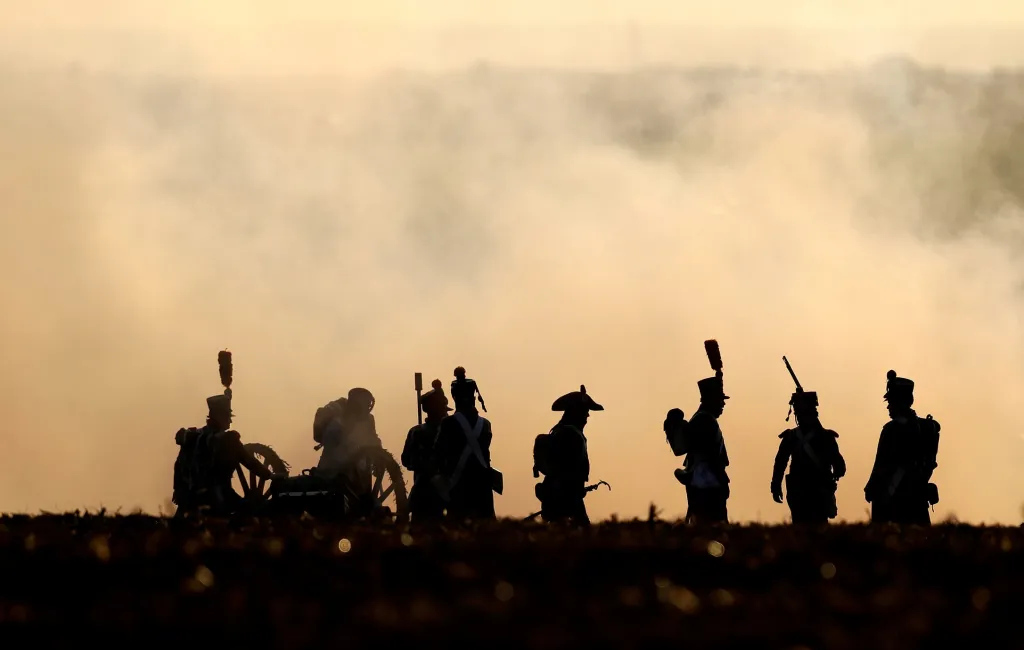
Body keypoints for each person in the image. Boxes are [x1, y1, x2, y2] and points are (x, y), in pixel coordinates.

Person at [172, 391, 284, 517]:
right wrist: (269, 475)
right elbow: (248, 461)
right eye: (227, 416)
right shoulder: (228, 440)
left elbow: (178, 466)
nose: (230, 420)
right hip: (219, 499)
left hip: (190, 500)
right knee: (257, 511)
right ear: (220, 416)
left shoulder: (194, 437)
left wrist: (179, 492)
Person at [865, 370, 941, 525]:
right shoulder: (928, 427)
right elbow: (931, 462)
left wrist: (871, 489)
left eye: (891, 402)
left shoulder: (891, 430)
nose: (888, 407)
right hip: (918, 497)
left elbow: (881, 465)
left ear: (898, 402)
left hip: (895, 500)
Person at [771, 390, 846, 524]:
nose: (799, 416)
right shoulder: (794, 436)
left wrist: (835, 474)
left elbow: (839, 466)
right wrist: (776, 484)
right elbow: (780, 462)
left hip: (817, 494)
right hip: (800, 493)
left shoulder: (825, 437)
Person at [433, 367, 499, 520]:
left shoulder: (448, 423)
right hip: (482, 483)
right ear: (473, 398)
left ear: (455, 397)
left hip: (458, 483)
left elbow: (438, 452)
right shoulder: (485, 424)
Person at [534, 385, 604, 526]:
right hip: (566, 494)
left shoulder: (561, 432)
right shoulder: (570, 435)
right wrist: (574, 489)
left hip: (562, 493)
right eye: (585, 411)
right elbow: (567, 469)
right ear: (576, 412)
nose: (587, 416)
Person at [679, 376, 731, 523]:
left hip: (705, 480)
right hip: (706, 482)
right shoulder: (705, 421)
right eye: (720, 400)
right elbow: (710, 456)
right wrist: (720, 479)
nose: (722, 404)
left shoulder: (704, 419)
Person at [401, 379, 451, 523]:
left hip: (422, 493)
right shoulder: (451, 432)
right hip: (446, 493)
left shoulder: (416, 432)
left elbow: (406, 461)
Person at [314, 387, 382, 482]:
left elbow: (373, 439)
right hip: (332, 469)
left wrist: (379, 458)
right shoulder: (337, 417)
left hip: (357, 472)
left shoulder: (368, 420)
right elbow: (330, 442)